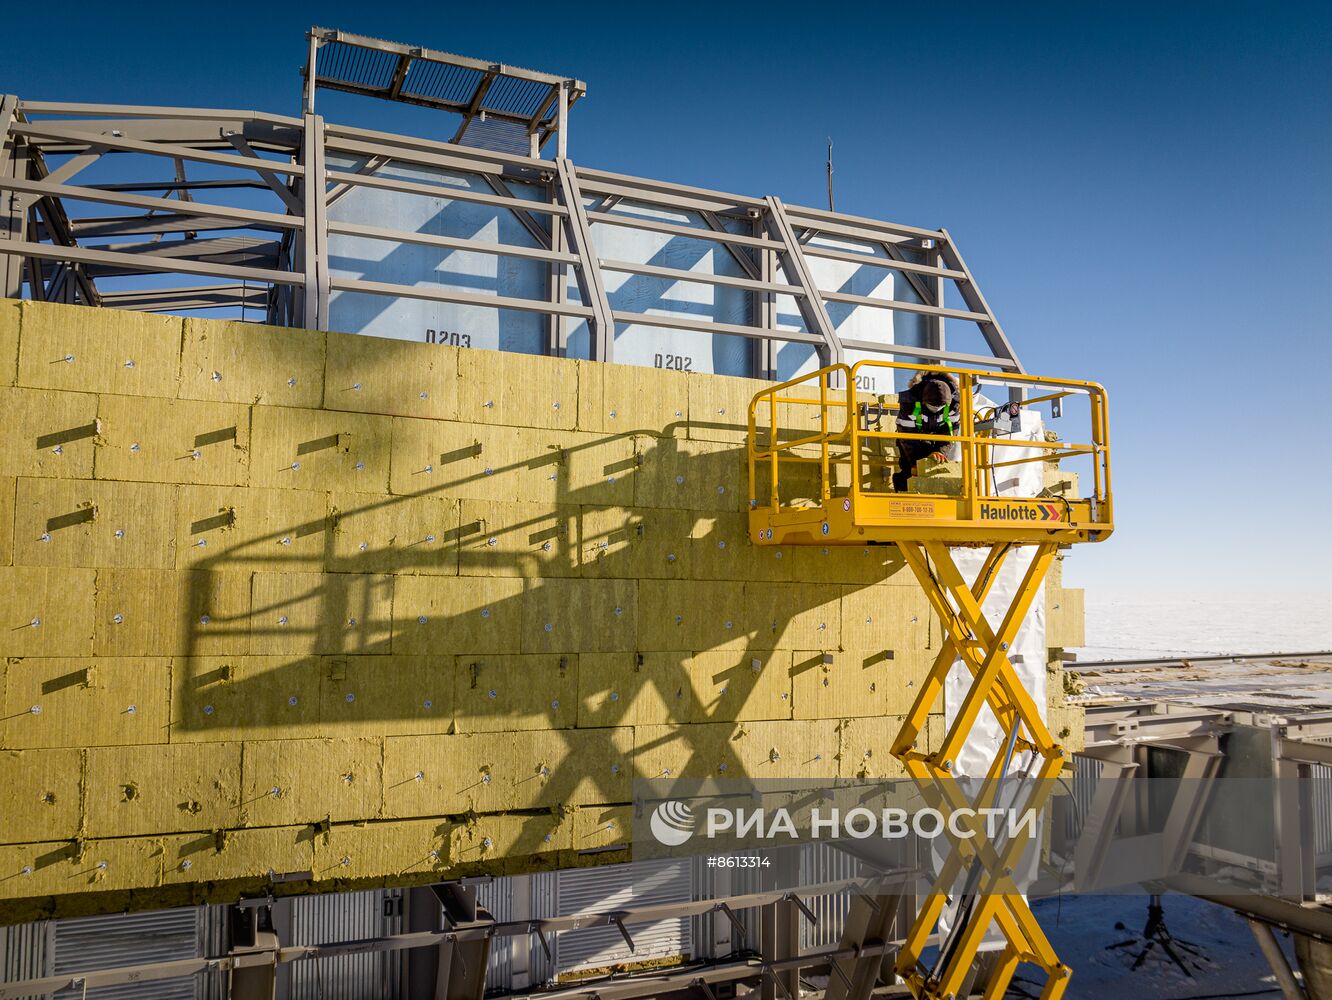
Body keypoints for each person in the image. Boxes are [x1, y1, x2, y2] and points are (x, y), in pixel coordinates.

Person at [892, 371, 961, 491]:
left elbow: (950, 435)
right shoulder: (909, 405)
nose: (936, 408)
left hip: (937, 438)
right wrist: (914, 463)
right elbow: (906, 436)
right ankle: (902, 490)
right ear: (924, 400)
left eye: (940, 406)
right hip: (913, 439)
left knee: (936, 465)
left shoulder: (954, 406)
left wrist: (940, 452)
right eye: (933, 405)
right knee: (909, 468)